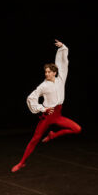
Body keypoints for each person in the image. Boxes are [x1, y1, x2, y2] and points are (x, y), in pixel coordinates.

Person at [12, 40, 81, 173]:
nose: (47, 74)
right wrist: (42, 109)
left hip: (58, 115)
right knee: (35, 139)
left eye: (49, 72)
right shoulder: (43, 86)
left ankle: (53, 135)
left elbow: (63, 64)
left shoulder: (61, 79)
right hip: (47, 116)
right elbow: (31, 98)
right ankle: (21, 162)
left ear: (54, 72)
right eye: (46, 72)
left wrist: (63, 48)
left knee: (77, 129)